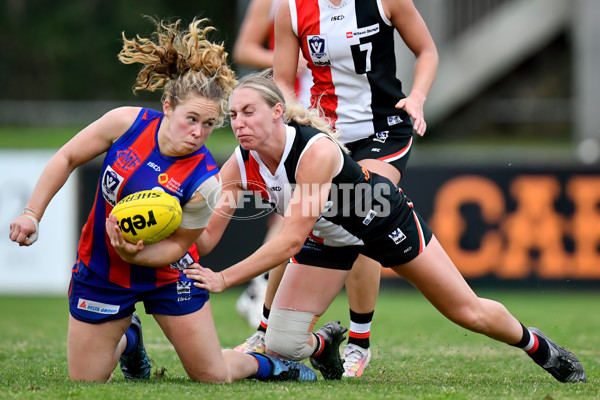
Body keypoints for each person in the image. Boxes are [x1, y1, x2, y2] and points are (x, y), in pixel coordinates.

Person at [184, 71, 586, 384]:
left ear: (276, 112)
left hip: (380, 221)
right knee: (282, 345)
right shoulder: (239, 163)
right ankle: (325, 344)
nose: (238, 123)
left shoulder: (314, 151)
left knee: (468, 313)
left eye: (248, 112)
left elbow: (288, 241)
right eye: (233, 115)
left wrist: (223, 279)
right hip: (328, 237)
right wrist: (162, 237)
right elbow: (207, 232)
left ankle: (539, 347)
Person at [8, 18, 316, 384]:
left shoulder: (206, 181)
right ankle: (129, 338)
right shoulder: (126, 123)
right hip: (103, 268)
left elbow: (179, 246)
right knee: (87, 382)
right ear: (167, 107)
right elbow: (66, 159)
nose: (198, 132)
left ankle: (270, 364)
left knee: (212, 375)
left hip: (170, 274)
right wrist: (32, 213)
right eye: (191, 119)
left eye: (208, 124)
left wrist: (134, 254)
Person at [233, 0, 440, 378]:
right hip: (324, 135)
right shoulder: (292, 10)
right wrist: (292, 123)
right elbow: (281, 81)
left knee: (362, 216)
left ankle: (359, 343)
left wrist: (418, 96)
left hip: (383, 133)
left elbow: (426, 50)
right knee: (292, 227)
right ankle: (265, 330)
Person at [230, 0, 311, 331]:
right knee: (294, 206)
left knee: (302, 207)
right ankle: (258, 287)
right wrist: (290, 62)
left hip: (332, 108)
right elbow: (244, 49)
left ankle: (259, 288)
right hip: (293, 106)